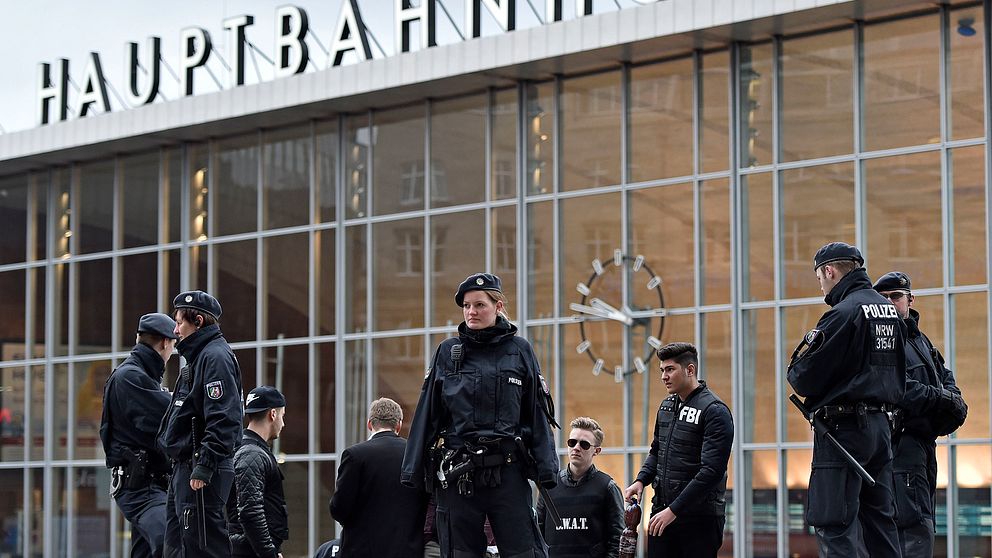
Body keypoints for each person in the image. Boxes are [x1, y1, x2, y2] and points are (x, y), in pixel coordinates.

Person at [401, 272, 559, 558]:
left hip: (509, 472)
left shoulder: (519, 350)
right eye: (466, 306)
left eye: (479, 305)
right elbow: (428, 411)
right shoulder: (448, 352)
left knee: (525, 552)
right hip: (461, 474)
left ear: (498, 306)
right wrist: (412, 470)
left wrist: (548, 470)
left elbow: (536, 412)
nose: (471, 312)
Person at [787, 242, 906, 557]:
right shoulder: (888, 312)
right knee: (880, 525)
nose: (822, 286)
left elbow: (802, 376)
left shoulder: (842, 313)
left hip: (844, 431)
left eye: (820, 278)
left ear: (830, 270)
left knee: (835, 523)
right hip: (882, 430)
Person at [873, 271, 968, 556]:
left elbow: (945, 378)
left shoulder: (922, 342)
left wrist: (950, 400)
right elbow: (897, 387)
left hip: (922, 448)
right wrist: (942, 399)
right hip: (901, 445)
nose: (890, 303)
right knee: (912, 527)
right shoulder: (882, 340)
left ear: (910, 299)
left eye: (896, 297)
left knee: (922, 524)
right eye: (884, 298)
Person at [623, 342, 733, 558]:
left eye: (670, 369)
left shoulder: (715, 411)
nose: (664, 376)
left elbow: (712, 472)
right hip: (661, 515)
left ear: (690, 370)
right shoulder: (666, 406)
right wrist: (640, 480)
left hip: (699, 521)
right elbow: (656, 450)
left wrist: (674, 511)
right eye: (662, 370)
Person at [157, 290, 244, 557]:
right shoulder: (198, 359)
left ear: (198, 321)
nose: (175, 330)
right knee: (179, 546)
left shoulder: (214, 357)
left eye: (180, 322)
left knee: (204, 547)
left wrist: (204, 466)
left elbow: (224, 418)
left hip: (201, 470)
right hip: (186, 469)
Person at [100, 313, 178, 558]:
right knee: (174, 544)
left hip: (147, 485)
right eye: (173, 345)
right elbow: (168, 416)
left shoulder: (139, 375)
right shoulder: (131, 377)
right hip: (141, 489)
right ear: (165, 343)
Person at [331, 397, 427, 557]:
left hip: (362, 550)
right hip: (406, 550)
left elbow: (339, 508)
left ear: (369, 424)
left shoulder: (355, 455)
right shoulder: (415, 455)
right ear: (399, 424)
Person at [537, 417, 624, 558]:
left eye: (584, 444)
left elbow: (618, 539)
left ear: (596, 451)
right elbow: (538, 534)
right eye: (572, 442)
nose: (576, 448)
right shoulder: (549, 486)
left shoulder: (607, 487)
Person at [229, 386, 289, 558]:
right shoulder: (251, 453)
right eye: (282, 416)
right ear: (273, 414)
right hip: (249, 552)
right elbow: (250, 511)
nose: (283, 424)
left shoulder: (249, 449)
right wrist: (268, 553)